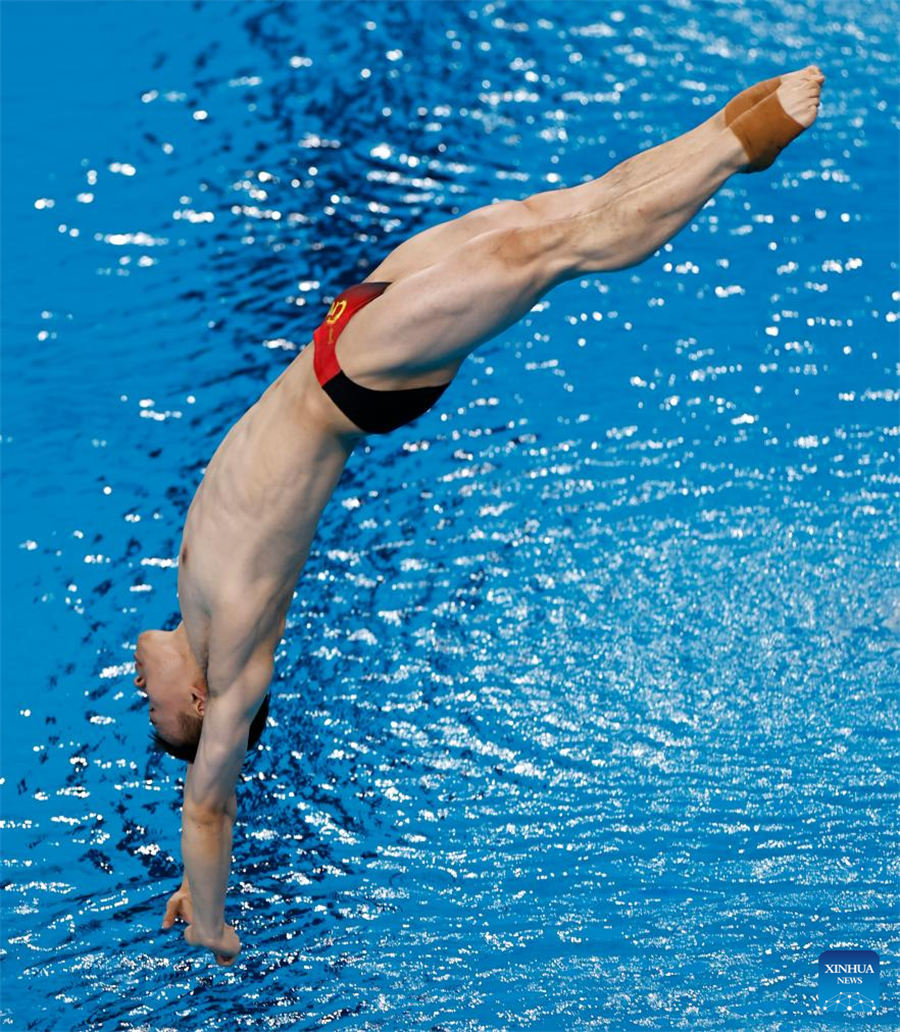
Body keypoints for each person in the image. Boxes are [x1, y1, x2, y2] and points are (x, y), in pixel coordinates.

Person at [134, 65, 825, 964]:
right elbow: (209, 802)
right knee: (558, 249)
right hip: (362, 376)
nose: (135, 686)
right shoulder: (234, 673)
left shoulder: (196, 609)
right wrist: (215, 920)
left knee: (560, 214)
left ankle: (723, 137)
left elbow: (204, 824)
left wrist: (200, 873)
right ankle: (740, 144)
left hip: (348, 332)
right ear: (192, 702)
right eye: (151, 711)